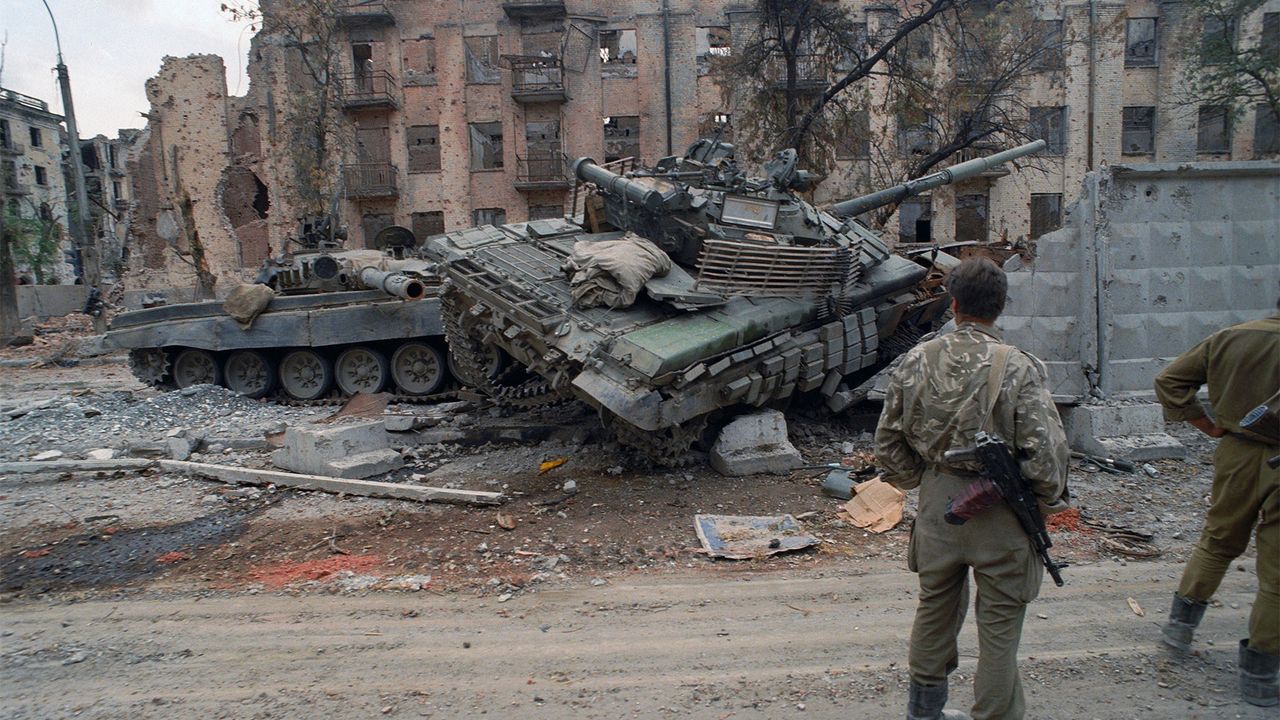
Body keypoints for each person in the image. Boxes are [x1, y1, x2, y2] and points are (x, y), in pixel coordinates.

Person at [876, 257, 1069, 720]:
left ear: (954, 303)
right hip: (1004, 511)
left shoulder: (915, 359)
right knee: (999, 633)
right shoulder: (1020, 367)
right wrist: (1042, 503)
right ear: (1000, 308)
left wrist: (924, 482)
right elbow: (1046, 455)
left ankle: (924, 711)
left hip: (938, 503)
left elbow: (887, 442)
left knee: (934, 609)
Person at [1153, 300, 1279, 708]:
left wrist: (1207, 424)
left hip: (1236, 454)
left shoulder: (1231, 337)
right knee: (1278, 574)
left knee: (1218, 540)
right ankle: (1259, 675)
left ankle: (1179, 630)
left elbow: (1170, 380)